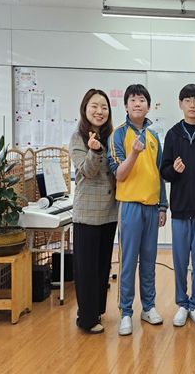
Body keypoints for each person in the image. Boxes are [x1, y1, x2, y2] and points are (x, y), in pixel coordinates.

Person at [107, 84, 168, 336]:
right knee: (128, 261)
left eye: (142, 100)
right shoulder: (118, 135)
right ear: (126, 105)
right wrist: (133, 153)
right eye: (133, 100)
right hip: (130, 206)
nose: (137, 104)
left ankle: (149, 307)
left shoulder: (153, 137)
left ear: (148, 106)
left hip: (152, 207)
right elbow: (119, 174)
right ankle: (126, 312)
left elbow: (159, 174)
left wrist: (163, 205)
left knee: (149, 261)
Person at [160, 84, 195, 327]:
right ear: (180, 104)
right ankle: (182, 304)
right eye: (187, 100)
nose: (192, 105)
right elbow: (164, 171)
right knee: (180, 260)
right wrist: (174, 170)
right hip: (180, 209)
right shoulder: (173, 134)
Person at [69, 89, 118, 334]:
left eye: (104, 107)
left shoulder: (111, 136)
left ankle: (97, 310)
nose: (99, 111)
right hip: (87, 212)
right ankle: (86, 318)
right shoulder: (78, 137)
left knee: (102, 265)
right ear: (85, 109)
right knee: (86, 267)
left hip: (109, 210)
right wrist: (95, 151)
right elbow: (87, 171)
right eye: (94, 106)